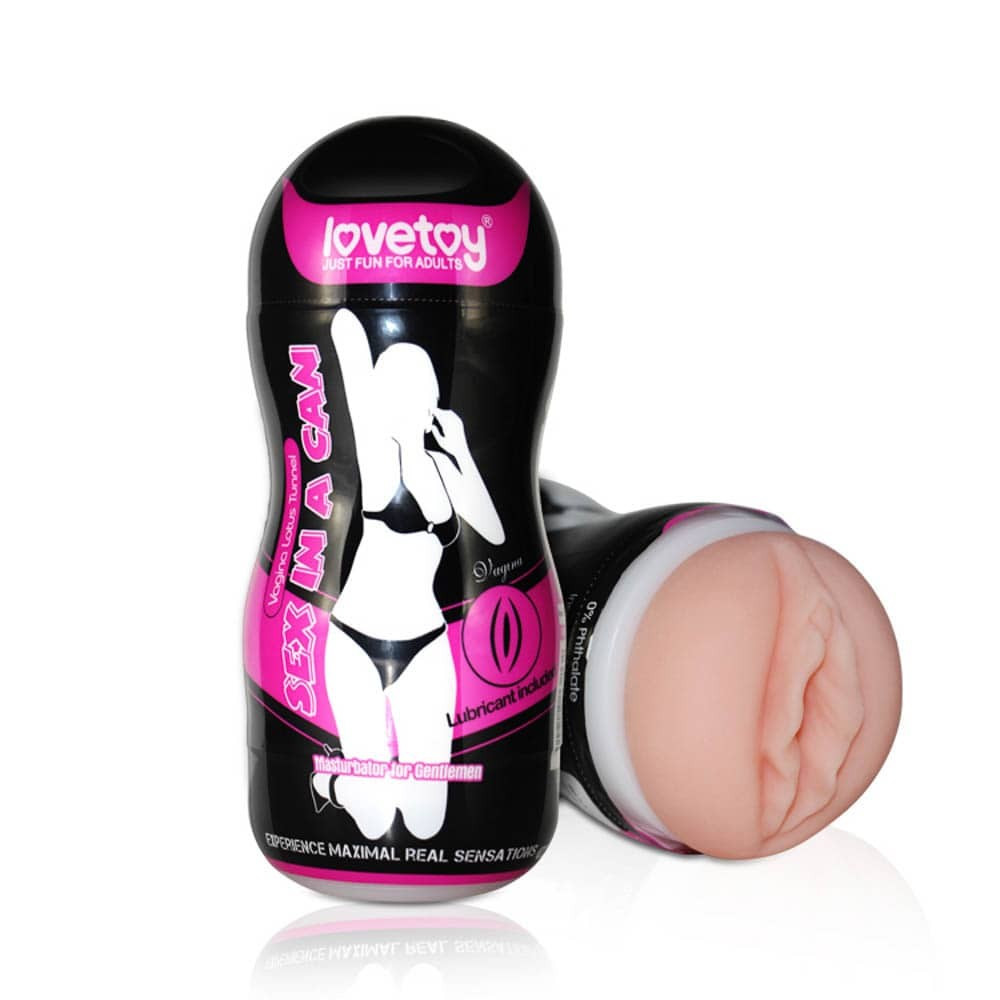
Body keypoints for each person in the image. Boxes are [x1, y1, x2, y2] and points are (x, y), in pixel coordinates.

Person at [311, 308, 504, 840]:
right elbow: (349, 347)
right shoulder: (379, 455)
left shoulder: (442, 467)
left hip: (427, 649)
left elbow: (493, 532)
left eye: (422, 391)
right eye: (398, 391)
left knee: (426, 822)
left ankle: (367, 777)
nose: (412, 404)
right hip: (354, 643)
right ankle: (331, 781)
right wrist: (336, 302)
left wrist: (459, 449)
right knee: (374, 823)